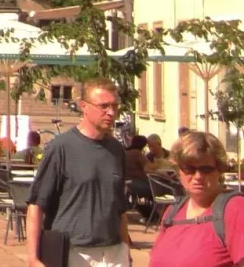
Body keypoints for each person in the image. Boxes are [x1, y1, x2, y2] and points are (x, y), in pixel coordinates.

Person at [26, 76, 131, 267]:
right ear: (84, 106)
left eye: (115, 106)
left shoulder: (116, 150)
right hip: (74, 252)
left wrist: (126, 248)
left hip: (114, 252)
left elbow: (120, 208)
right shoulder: (61, 148)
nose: (111, 112)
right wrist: (33, 258)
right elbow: (36, 204)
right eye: (104, 106)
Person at [149, 129, 244, 266]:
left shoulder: (235, 209)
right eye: (189, 169)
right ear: (178, 171)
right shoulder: (172, 212)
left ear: (219, 170)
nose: (198, 176)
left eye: (206, 169)